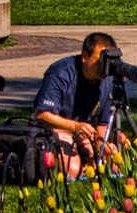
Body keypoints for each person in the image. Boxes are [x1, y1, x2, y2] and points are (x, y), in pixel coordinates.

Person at [34, 32, 117, 181]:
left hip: (85, 131)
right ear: (85, 56)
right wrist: (75, 126)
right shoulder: (61, 72)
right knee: (73, 170)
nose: (103, 68)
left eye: (107, 62)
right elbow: (42, 114)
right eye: (100, 61)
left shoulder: (109, 78)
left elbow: (104, 123)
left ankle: (88, 163)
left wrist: (100, 147)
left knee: (112, 164)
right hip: (57, 128)